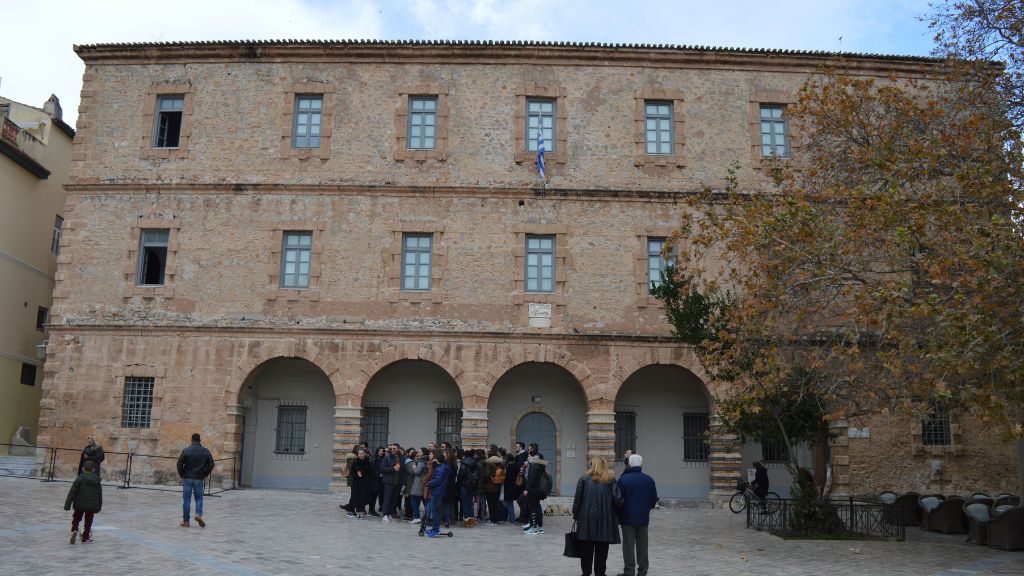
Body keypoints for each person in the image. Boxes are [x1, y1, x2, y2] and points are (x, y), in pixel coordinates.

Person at [572, 457, 622, 576]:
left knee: (586, 550)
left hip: (586, 519)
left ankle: (586, 573)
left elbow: (577, 500)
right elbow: (618, 500)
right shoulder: (610, 480)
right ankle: (600, 573)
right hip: (605, 520)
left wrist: (575, 515)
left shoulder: (583, 479)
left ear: (592, 465)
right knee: (602, 550)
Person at [616, 454, 658, 576]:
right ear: (641, 464)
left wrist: (619, 513)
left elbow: (619, 499)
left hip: (627, 517)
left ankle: (629, 571)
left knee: (628, 545)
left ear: (629, 464)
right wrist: (646, 508)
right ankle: (643, 570)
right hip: (643, 517)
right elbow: (653, 499)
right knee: (643, 545)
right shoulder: (649, 480)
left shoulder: (623, 480)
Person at [176, 432, 214, 527]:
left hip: (188, 477)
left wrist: (182, 474)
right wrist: (205, 473)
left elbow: (179, 463)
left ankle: (186, 521)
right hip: (199, 478)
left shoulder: (186, 451)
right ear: (200, 441)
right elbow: (211, 464)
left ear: (191, 440)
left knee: (186, 500)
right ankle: (198, 514)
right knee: (199, 498)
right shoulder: (205, 451)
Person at [65, 460, 102, 544]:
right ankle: (85, 538)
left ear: (82, 469)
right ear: (93, 470)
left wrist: (67, 504)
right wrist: (99, 505)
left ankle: (74, 530)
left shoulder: (80, 478)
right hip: (91, 505)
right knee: (88, 521)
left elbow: (72, 491)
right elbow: (100, 493)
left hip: (79, 503)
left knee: (76, 518)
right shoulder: (96, 480)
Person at [424, 448, 452, 537]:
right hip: (439, 490)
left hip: (437, 491)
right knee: (435, 510)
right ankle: (435, 528)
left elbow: (437, 480)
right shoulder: (444, 467)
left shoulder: (440, 469)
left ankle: (435, 529)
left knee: (435, 511)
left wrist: (428, 483)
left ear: (438, 460)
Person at [522, 444, 548, 534]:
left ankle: (533, 528)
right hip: (538, 489)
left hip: (533, 490)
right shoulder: (539, 463)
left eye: (529, 450)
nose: (528, 453)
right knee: (537, 507)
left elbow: (531, 479)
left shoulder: (534, 465)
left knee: (533, 508)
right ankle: (540, 528)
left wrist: (527, 489)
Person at [380, 443, 403, 522]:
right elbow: (382, 469)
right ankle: (385, 515)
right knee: (387, 499)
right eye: (392, 449)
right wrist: (393, 468)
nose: (392, 450)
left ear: (398, 449)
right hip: (389, 482)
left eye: (394, 449)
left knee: (394, 500)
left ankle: (389, 514)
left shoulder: (401, 458)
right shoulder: (387, 458)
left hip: (397, 483)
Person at [505, 441, 527, 523]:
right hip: (520, 481)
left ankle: (524, 517)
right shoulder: (520, 455)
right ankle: (522, 516)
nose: (515, 447)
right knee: (521, 500)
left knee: (521, 500)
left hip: (521, 481)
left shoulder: (521, 456)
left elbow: (519, 468)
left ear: (521, 447)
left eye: (516, 446)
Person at [482, 446, 504, 524]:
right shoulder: (500, 463)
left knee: (491, 504)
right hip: (497, 486)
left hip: (490, 487)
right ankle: (496, 519)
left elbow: (487, 475)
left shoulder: (489, 464)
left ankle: (492, 520)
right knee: (495, 503)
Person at [349, 448, 373, 519]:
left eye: (361, 453)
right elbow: (352, 473)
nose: (360, 454)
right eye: (359, 453)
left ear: (365, 454)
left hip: (365, 483)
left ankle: (362, 512)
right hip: (356, 483)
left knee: (363, 498)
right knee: (357, 498)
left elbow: (371, 472)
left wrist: (366, 477)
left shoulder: (368, 462)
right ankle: (357, 512)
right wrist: (357, 475)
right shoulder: (355, 462)